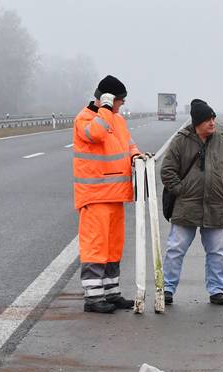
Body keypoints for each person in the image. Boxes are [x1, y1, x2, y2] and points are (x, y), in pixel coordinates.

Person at [72, 75, 141, 313]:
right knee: (96, 247)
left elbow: (129, 144)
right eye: (120, 100)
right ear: (108, 98)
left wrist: (136, 156)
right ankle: (93, 298)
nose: (122, 104)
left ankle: (111, 293)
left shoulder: (118, 120)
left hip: (116, 194)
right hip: (95, 196)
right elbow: (96, 134)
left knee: (113, 246)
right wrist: (106, 108)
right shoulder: (85, 118)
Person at [160, 99, 223, 305]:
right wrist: (181, 191)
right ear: (196, 123)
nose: (212, 123)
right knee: (175, 249)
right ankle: (167, 289)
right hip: (186, 205)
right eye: (206, 120)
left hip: (215, 206)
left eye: (213, 118)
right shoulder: (181, 141)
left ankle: (216, 290)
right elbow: (167, 171)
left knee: (217, 252)